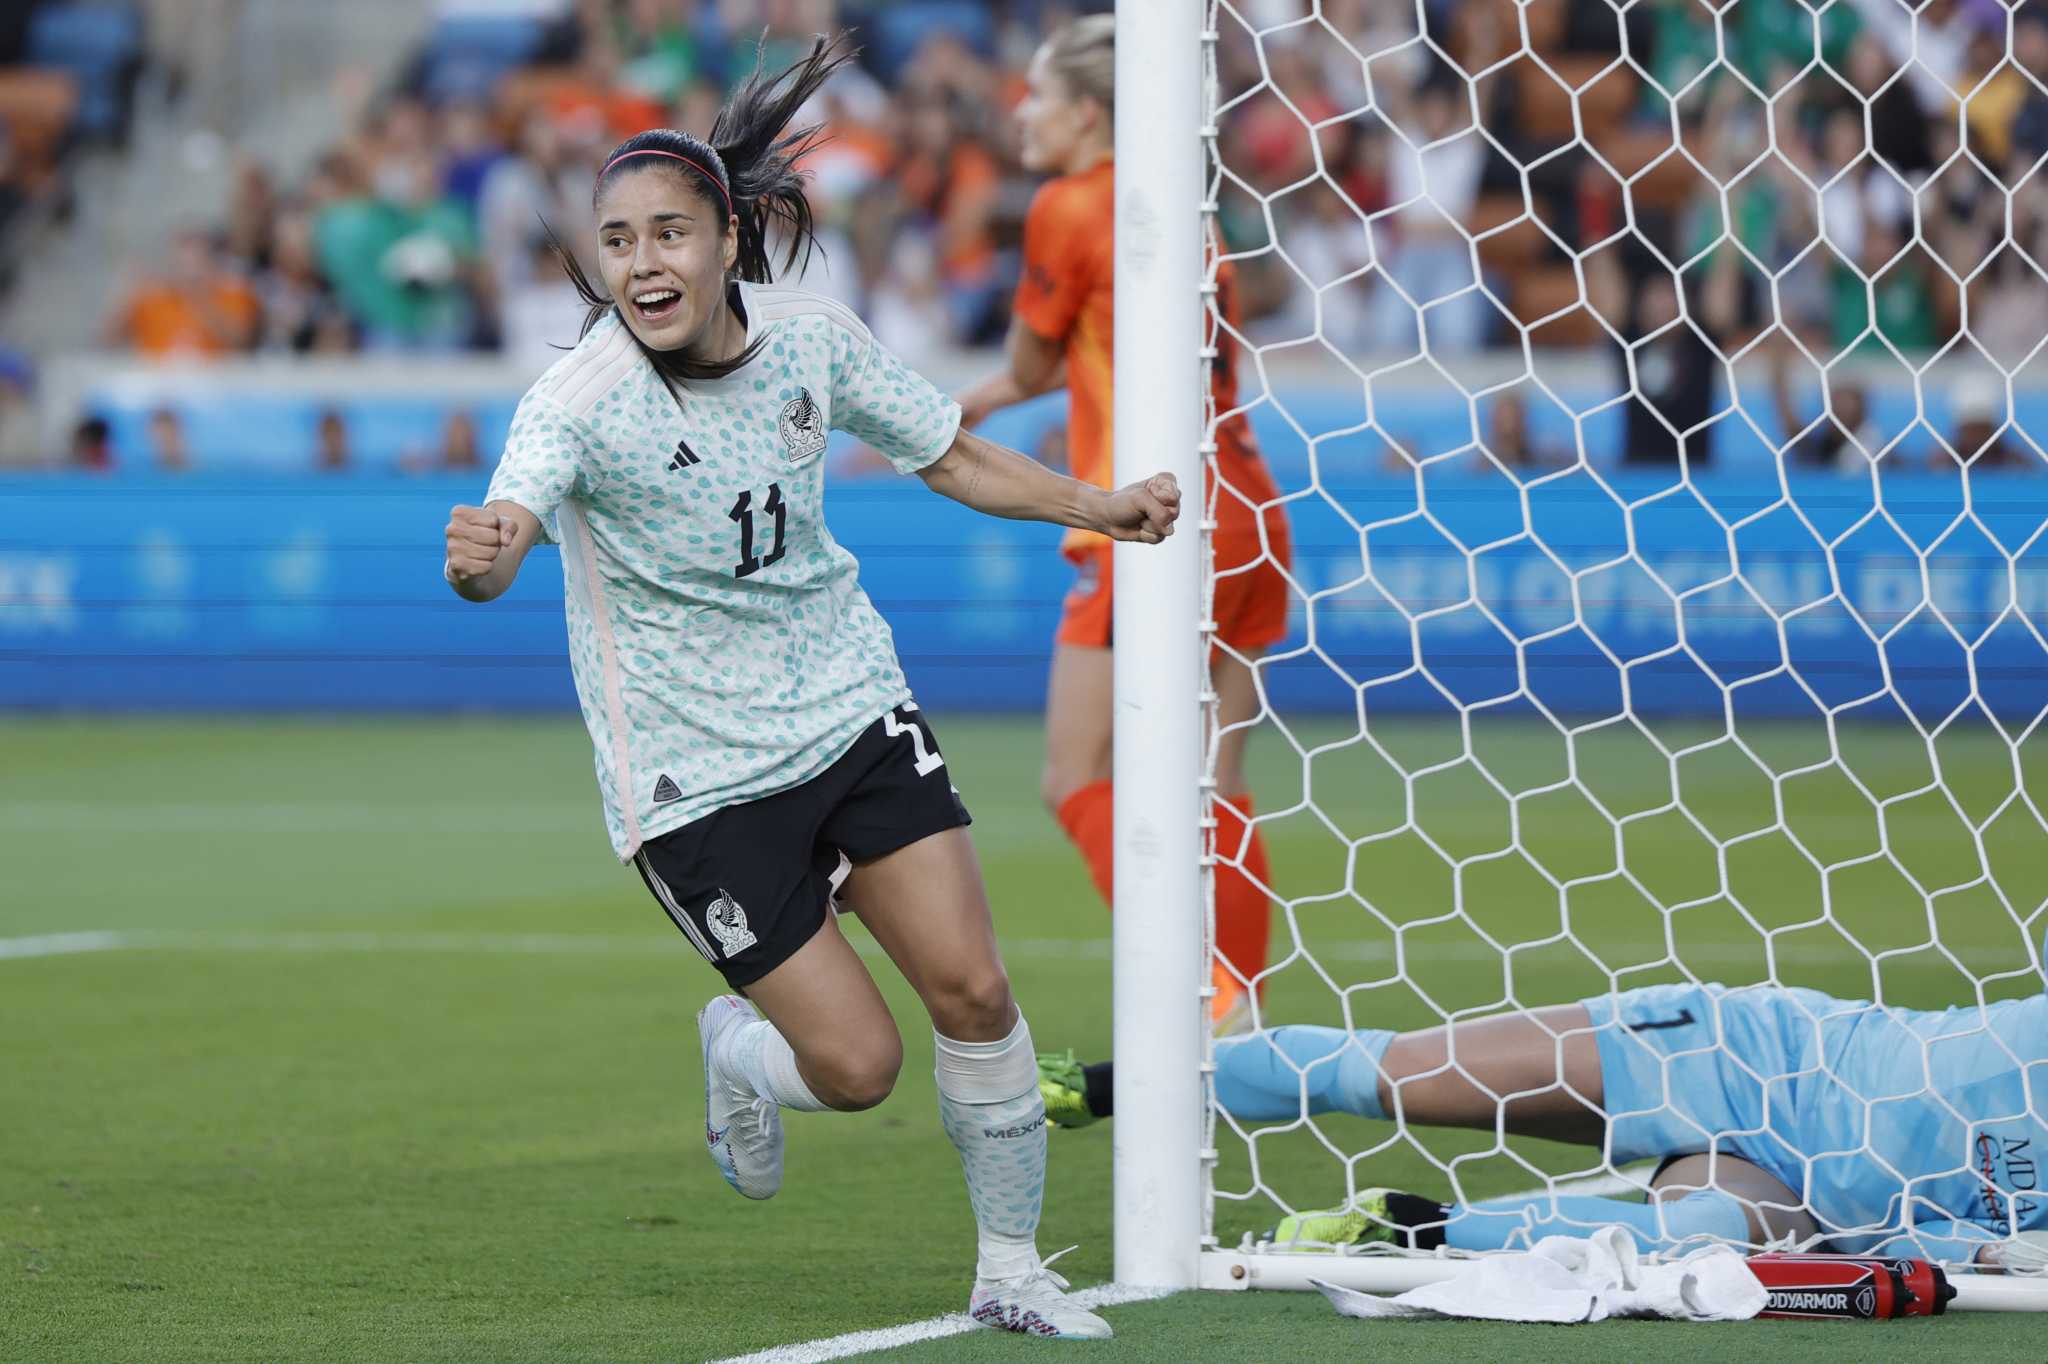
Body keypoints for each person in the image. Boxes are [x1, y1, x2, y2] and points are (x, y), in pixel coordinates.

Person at [441, 40, 1182, 1342]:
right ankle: (739, 1049)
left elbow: (948, 454)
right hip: (694, 775)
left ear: (730, 238)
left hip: (849, 706)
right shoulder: (580, 400)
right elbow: (509, 516)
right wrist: (491, 553)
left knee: (976, 991)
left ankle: (1012, 1269)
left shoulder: (812, 344)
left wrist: (1102, 506)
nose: (645, 261)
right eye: (619, 242)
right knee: (859, 1069)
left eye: (672, 231)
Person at [955, 15, 1295, 1034]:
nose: (1020, 110)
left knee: (1073, 773)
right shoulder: (1184, 207)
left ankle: (1203, 986)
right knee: (1218, 776)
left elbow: (1025, 367)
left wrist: (934, 419)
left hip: (1148, 520)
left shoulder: (1067, 205)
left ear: (1089, 111)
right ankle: (1242, 1018)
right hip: (1248, 506)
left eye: (1036, 94)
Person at [1038, 953, 2048, 1267]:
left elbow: (1947, 1247)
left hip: (1812, 1199)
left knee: (1689, 1239)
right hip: (1749, 1061)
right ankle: (1096, 1083)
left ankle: (1404, 1228)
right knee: (1400, 1074)